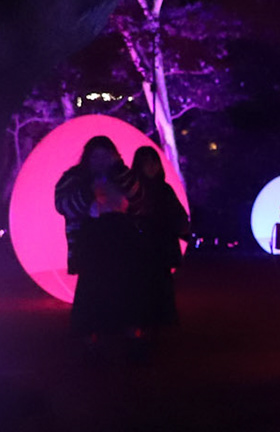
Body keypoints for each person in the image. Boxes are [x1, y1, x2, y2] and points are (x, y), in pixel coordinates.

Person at [54, 135, 146, 343]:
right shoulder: (73, 178)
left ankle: (128, 331)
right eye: (96, 156)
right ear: (87, 157)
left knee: (125, 285)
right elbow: (62, 205)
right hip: (90, 240)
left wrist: (118, 171)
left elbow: (137, 197)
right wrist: (89, 193)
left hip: (121, 240)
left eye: (106, 156)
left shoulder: (124, 175)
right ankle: (90, 335)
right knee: (91, 286)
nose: (101, 161)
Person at [131, 146, 189, 330]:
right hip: (142, 248)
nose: (151, 166)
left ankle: (162, 323)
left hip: (161, 247)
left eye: (153, 162)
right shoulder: (134, 190)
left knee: (161, 285)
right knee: (144, 287)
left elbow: (178, 215)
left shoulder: (164, 189)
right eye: (146, 162)